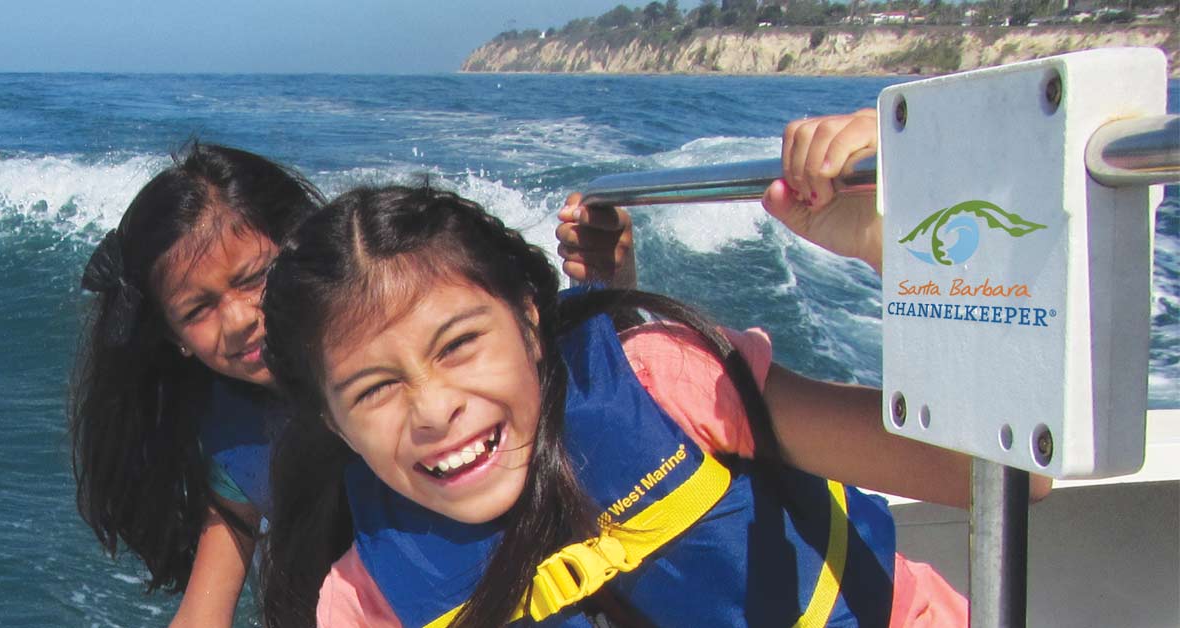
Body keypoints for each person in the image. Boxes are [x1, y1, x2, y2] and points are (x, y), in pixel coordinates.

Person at [256, 111, 1031, 628]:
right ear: (334, 423)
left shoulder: (665, 384)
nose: (432, 409)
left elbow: (1005, 474)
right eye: (375, 388)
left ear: (531, 321)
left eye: (458, 345)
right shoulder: (365, 602)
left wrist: (895, 243)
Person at [70, 141, 641, 626]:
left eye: (255, 279)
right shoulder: (236, 446)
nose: (240, 318)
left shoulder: (423, 348)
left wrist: (612, 279)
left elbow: (595, 379)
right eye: (198, 309)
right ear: (173, 338)